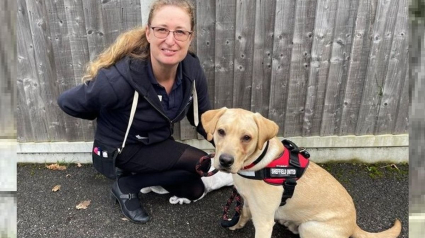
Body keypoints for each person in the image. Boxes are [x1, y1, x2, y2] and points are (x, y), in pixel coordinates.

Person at [57, 0, 232, 224]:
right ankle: (127, 185)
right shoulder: (118, 80)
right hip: (123, 148)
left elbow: (202, 117)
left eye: (180, 32)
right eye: (161, 30)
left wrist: (230, 147)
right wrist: (106, 117)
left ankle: (139, 178)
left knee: (194, 189)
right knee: (203, 163)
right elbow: (68, 102)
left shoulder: (191, 67)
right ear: (148, 33)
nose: (170, 40)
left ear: (190, 37)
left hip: (157, 141)